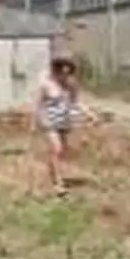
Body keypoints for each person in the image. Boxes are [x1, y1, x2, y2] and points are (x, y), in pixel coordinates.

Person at [33, 52, 99, 196]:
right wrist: (38, 120)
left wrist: (90, 115)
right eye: (62, 70)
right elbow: (39, 104)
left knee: (61, 151)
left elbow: (76, 103)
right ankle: (58, 184)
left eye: (68, 70)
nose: (65, 74)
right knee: (56, 149)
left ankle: (55, 173)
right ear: (56, 69)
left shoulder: (71, 85)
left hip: (64, 122)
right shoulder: (47, 85)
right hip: (49, 122)